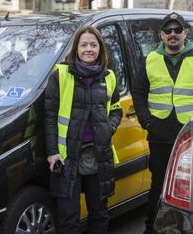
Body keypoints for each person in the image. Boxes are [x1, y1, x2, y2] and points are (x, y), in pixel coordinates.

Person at [131, 12, 193, 233]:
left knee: (192, 185)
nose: (173, 34)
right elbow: (138, 92)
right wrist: (147, 122)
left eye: (177, 30)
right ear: (162, 35)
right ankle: (152, 228)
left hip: (192, 135)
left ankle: (190, 229)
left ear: (185, 34)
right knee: (159, 184)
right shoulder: (151, 59)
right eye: (168, 30)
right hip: (160, 135)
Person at [44, 26, 122, 234]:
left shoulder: (110, 77)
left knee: (99, 214)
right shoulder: (60, 76)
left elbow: (116, 110)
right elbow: (49, 117)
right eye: (84, 45)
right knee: (68, 219)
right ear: (76, 48)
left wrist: (109, 128)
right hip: (67, 156)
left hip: (98, 154)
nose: (89, 49)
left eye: (93, 45)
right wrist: (52, 152)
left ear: (100, 48)